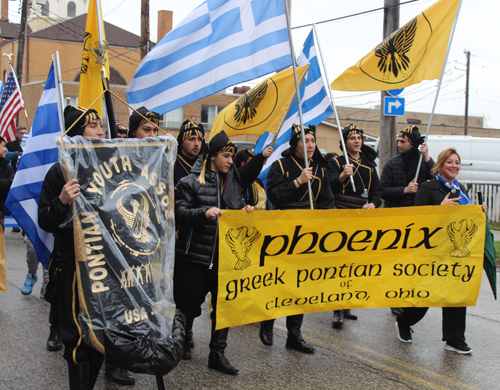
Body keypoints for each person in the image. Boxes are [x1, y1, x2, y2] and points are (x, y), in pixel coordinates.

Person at [39, 106, 134, 389]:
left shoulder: (109, 168)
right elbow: (45, 219)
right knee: (78, 338)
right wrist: (62, 201)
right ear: (78, 132)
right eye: (93, 126)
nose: (101, 132)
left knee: (99, 335)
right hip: (73, 266)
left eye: (100, 126)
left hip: (105, 267)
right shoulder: (59, 172)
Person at [174, 130, 253, 375]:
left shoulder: (234, 184)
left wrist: (245, 211)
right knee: (189, 306)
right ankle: (184, 339)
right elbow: (177, 214)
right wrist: (202, 213)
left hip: (226, 259)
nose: (231, 161)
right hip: (196, 257)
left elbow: (236, 212)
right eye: (226, 156)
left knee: (224, 307)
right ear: (212, 157)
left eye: (231, 156)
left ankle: (217, 354)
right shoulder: (190, 182)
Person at [395, 147, 487, 354]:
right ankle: (404, 321)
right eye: (449, 162)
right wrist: (440, 207)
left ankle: (455, 338)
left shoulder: (461, 189)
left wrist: (478, 212)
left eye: (457, 162)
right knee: (427, 297)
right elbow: (418, 221)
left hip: (455, 252)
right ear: (440, 164)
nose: (454, 166)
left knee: (456, 293)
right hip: (433, 253)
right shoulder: (429, 188)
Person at [259, 124, 334, 353]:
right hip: (283, 231)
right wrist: (298, 181)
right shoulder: (279, 166)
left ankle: (294, 333)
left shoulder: (319, 170)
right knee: (278, 280)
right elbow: (274, 196)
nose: (310, 145)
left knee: (299, 284)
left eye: (313, 140)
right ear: (295, 144)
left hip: (308, 234)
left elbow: (327, 203)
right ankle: (267, 322)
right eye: (305, 140)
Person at [326, 123, 381, 328]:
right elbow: (326, 186)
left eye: (359, 137)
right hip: (340, 214)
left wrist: (373, 203)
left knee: (355, 263)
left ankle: (347, 303)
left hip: (361, 217)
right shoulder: (337, 163)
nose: (357, 141)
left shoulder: (369, 166)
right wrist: (341, 175)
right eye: (352, 138)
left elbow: (377, 191)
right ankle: (337, 309)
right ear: (345, 142)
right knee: (340, 263)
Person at [380, 125, 434, 316]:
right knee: (397, 262)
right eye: (398, 141)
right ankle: (395, 299)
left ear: (412, 143)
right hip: (396, 219)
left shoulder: (423, 162)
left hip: (419, 220)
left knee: (414, 262)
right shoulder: (392, 164)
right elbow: (383, 190)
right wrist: (404, 190)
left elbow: (437, 178)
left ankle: (411, 296)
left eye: (403, 141)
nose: (399, 144)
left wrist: (427, 158)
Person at [174, 119, 206, 186]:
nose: (197, 144)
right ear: (181, 142)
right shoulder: (172, 163)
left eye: (200, 139)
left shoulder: (205, 163)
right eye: (191, 139)